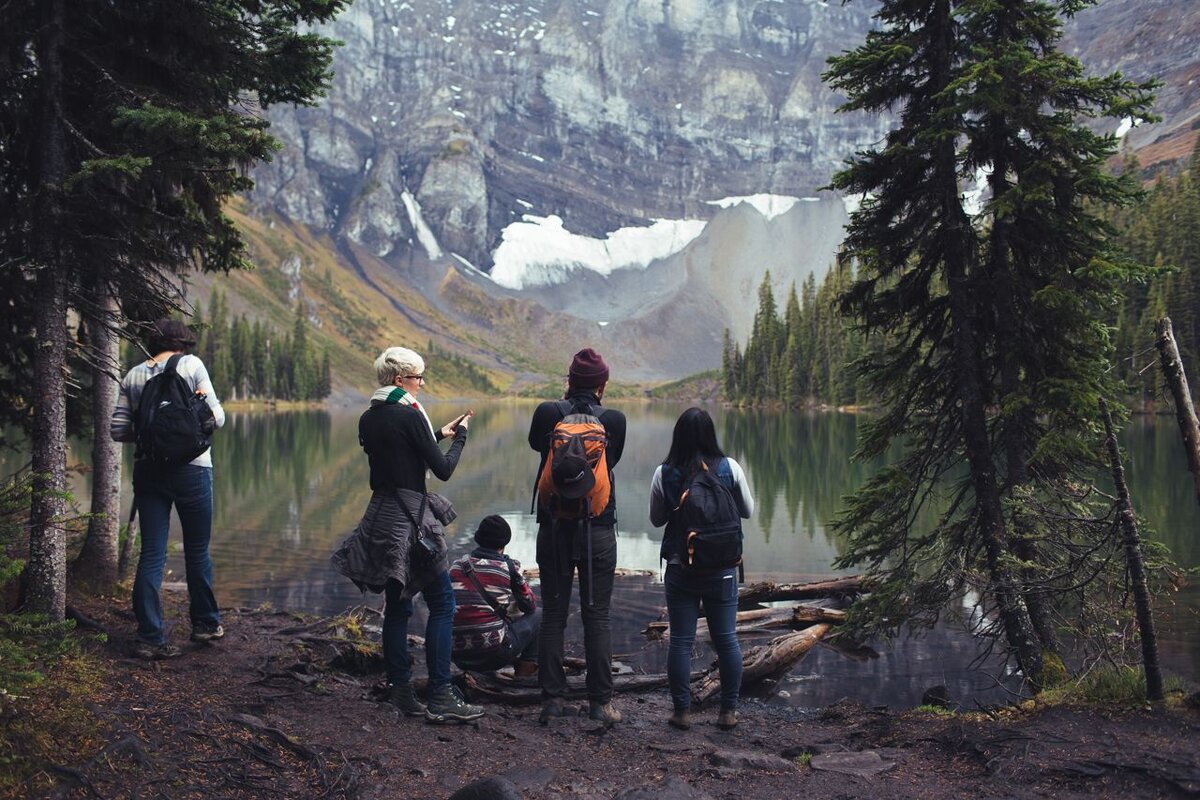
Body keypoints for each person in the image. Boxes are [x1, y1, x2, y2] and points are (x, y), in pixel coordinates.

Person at [331, 346, 484, 724]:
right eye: (418, 378)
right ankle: (442, 695)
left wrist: (436, 434)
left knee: (397, 606)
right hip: (412, 519)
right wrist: (460, 436)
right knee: (443, 604)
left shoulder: (369, 416)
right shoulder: (409, 416)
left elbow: (399, 452)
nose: (421, 384)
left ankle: (400, 689)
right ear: (400, 380)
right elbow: (443, 470)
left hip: (381, 514)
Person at [110, 318, 227, 659]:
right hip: (192, 469)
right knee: (197, 550)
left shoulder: (133, 374)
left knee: (151, 554)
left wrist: (151, 437)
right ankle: (205, 625)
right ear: (183, 343)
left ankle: (150, 636)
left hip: (149, 471)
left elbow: (118, 430)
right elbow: (217, 418)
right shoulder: (191, 365)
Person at [528, 347, 626, 724]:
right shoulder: (614, 420)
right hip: (597, 526)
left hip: (553, 527)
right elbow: (610, 463)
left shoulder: (547, 414)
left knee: (553, 613)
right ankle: (600, 703)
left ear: (568, 381)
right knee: (597, 615)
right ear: (602, 385)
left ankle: (552, 701)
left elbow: (538, 447)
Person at [649, 407, 754, 731]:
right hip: (722, 569)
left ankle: (681, 712)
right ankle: (728, 712)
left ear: (677, 436)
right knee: (727, 640)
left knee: (681, 640)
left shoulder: (664, 472)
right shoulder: (730, 468)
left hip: (682, 568)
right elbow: (747, 511)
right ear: (711, 435)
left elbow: (657, 520)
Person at [449, 515, 541, 675]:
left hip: (456, 655)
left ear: (478, 539)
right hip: (494, 655)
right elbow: (529, 605)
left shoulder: (456, 566)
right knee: (539, 614)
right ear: (504, 543)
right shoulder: (509, 568)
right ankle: (526, 673)